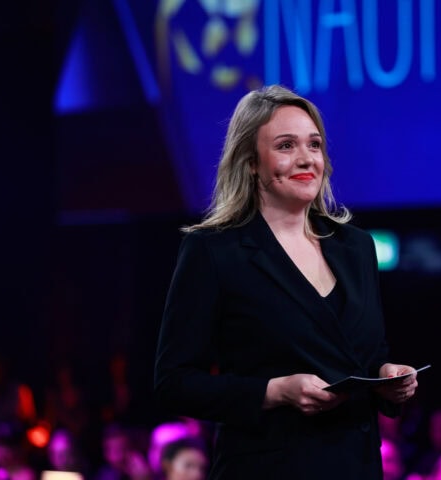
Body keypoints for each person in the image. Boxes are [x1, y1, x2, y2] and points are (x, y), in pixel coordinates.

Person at [154, 84, 418, 479]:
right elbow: (174, 383)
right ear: (251, 162)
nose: (306, 158)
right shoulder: (214, 250)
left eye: (314, 144)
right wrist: (274, 392)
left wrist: (385, 376)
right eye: (286, 146)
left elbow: (368, 354)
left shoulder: (357, 247)